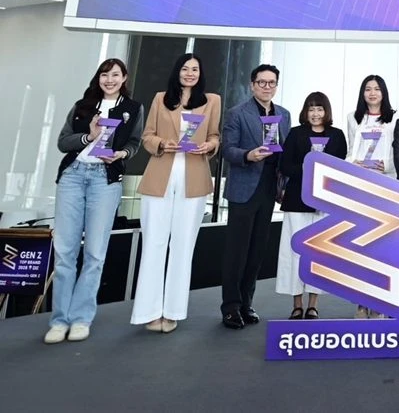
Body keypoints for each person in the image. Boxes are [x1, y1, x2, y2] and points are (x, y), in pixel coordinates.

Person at [45, 58, 144, 344]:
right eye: (104, 75)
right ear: (98, 78)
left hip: (105, 179)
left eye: (115, 75)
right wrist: (90, 136)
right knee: (65, 252)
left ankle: (81, 318)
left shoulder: (133, 108)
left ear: (124, 78)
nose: (109, 80)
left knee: (95, 254)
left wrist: (121, 154)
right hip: (73, 176)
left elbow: (134, 143)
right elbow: (63, 142)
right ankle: (59, 320)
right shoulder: (82, 106)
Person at [131, 53, 220, 333]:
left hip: (194, 180)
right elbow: (147, 135)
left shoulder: (212, 101)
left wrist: (210, 146)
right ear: (177, 72)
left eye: (195, 69)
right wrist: (161, 143)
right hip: (160, 177)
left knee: (183, 246)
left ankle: (173, 311)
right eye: (185, 69)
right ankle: (148, 311)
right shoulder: (161, 99)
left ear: (201, 73)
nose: (190, 73)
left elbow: (215, 136)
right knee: (154, 243)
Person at [220, 64, 291, 329]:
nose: (266, 87)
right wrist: (248, 155)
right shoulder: (237, 113)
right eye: (262, 82)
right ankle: (230, 307)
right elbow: (227, 149)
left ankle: (246, 303)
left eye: (271, 83)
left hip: (269, 189)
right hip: (244, 188)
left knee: (257, 251)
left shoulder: (284, 114)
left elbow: (286, 150)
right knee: (236, 251)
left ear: (276, 86)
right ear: (252, 85)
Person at [277, 92, 347, 320]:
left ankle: (313, 304)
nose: (315, 114)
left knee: (319, 253)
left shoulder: (337, 135)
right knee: (294, 252)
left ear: (326, 111)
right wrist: (309, 166)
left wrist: (324, 170)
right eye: (311, 109)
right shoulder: (296, 133)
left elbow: (341, 168)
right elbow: (285, 165)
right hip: (296, 201)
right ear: (305, 112)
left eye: (319, 109)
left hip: (324, 202)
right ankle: (296, 304)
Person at [346, 74, 396, 318]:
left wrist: (385, 165)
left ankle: (380, 302)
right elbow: (349, 151)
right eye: (368, 89)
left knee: (384, 247)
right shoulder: (353, 118)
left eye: (377, 88)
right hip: (361, 188)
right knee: (361, 247)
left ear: (383, 92)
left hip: (386, 187)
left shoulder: (394, 118)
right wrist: (352, 163)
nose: (372, 93)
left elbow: (398, 153)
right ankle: (361, 302)